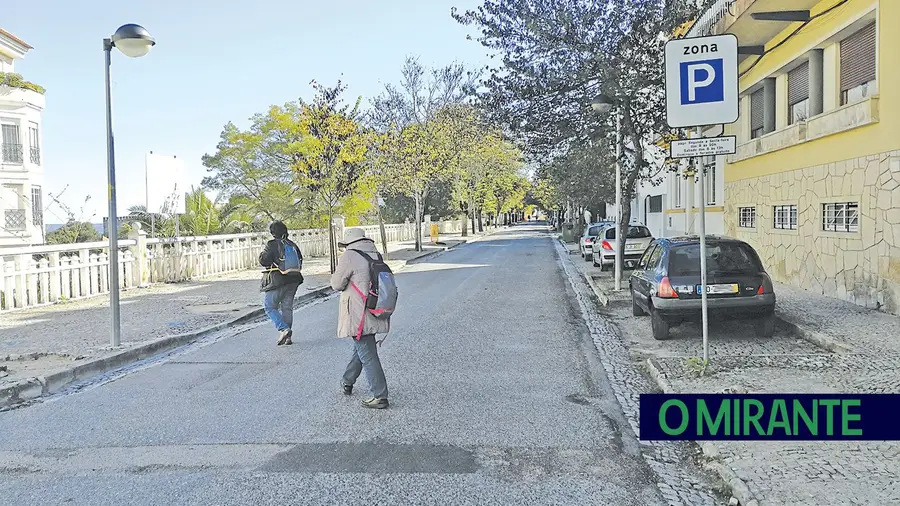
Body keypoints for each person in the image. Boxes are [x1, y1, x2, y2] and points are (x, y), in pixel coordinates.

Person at [331, 227, 391, 409]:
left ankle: (380, 396)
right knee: (362, 348)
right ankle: (347, 381)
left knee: (367, 353)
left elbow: (336, 284)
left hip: (358, 313)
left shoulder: (349, 256)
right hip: (375, 308)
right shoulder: (375, 254)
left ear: (349, 243)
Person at [259, 221, 304, 346]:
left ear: (273, 233)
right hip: (294, 279)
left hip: (278, 280)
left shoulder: (272, 244)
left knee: (269, 306)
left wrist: (261, 255)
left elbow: (265, 260)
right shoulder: (292, 244)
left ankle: (283, 329)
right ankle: (287, 337)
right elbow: (300, 260)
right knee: (287, 307)